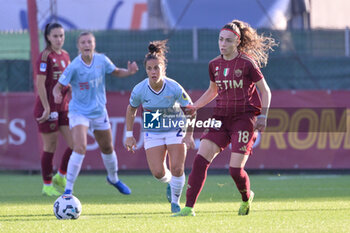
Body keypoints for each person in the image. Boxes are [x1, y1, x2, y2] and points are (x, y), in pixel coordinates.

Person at [173, 19, 277, 216]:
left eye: (228, 40)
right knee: (200, 160)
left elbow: (266, 91)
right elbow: (213, 90)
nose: (223, 44)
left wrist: (263, 115)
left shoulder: (247, 63)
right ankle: (188, 208)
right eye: (220, 39)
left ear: (237, 42)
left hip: (244, 119)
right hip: (220, 118)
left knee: (235, 170)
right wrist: (195, 105)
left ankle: (246, 198)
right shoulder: (214, 64)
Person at [53, 31, 138, 195]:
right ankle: (68, 189)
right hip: (79, 113)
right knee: (80, 148)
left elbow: (116, 71)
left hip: (99, 112)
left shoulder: (101, 60)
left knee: (107, 147)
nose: (86, 45)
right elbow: (58, 85)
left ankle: (113, 178)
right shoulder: (74, 66)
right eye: (83, 42)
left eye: (89, 42)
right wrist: (57, 93)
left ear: (94, 45)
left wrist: (129, 72)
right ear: (78, 46)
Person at [125, 40, 195, 213]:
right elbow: (131, 109)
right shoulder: (140, 89)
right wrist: (128, 134)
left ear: (163, 68)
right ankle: (170, 183)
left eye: (157, 68)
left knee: (177, 167)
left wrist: (189, 134)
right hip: (153, 131)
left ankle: (176, 203)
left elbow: (191, 110)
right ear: (146, 70)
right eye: (149, 69)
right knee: (158, 172)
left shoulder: (173, 87)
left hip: (175, 127)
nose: (153, 72)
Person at [34, 23, 73, 196]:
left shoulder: (65, 55)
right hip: (47, 109)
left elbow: (67, 79)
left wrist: (71, 91)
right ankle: (47, 185)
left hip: (63, 107)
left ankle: (61, 175)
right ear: (48, 37)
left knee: (76, 144)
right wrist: (47, 107)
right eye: (55, 36)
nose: (59, 39)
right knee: (50, 146)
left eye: (61, 36)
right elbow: (40, 83)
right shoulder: (45, 56)